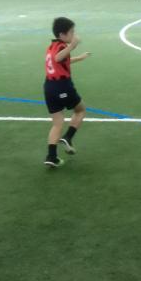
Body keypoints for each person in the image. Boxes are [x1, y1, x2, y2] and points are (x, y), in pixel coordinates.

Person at [43, 17, 90, 168]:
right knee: (80, 110)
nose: (74, 35)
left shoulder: (52, 46)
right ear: (62, 34)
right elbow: (59, 58)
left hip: (49, 87)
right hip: (62, 86)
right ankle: (68, 137)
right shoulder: (62, 47)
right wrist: (73, 45)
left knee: (57, 123)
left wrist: (79, 58)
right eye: (72, 32)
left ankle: (51, 156)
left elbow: (62, 59)